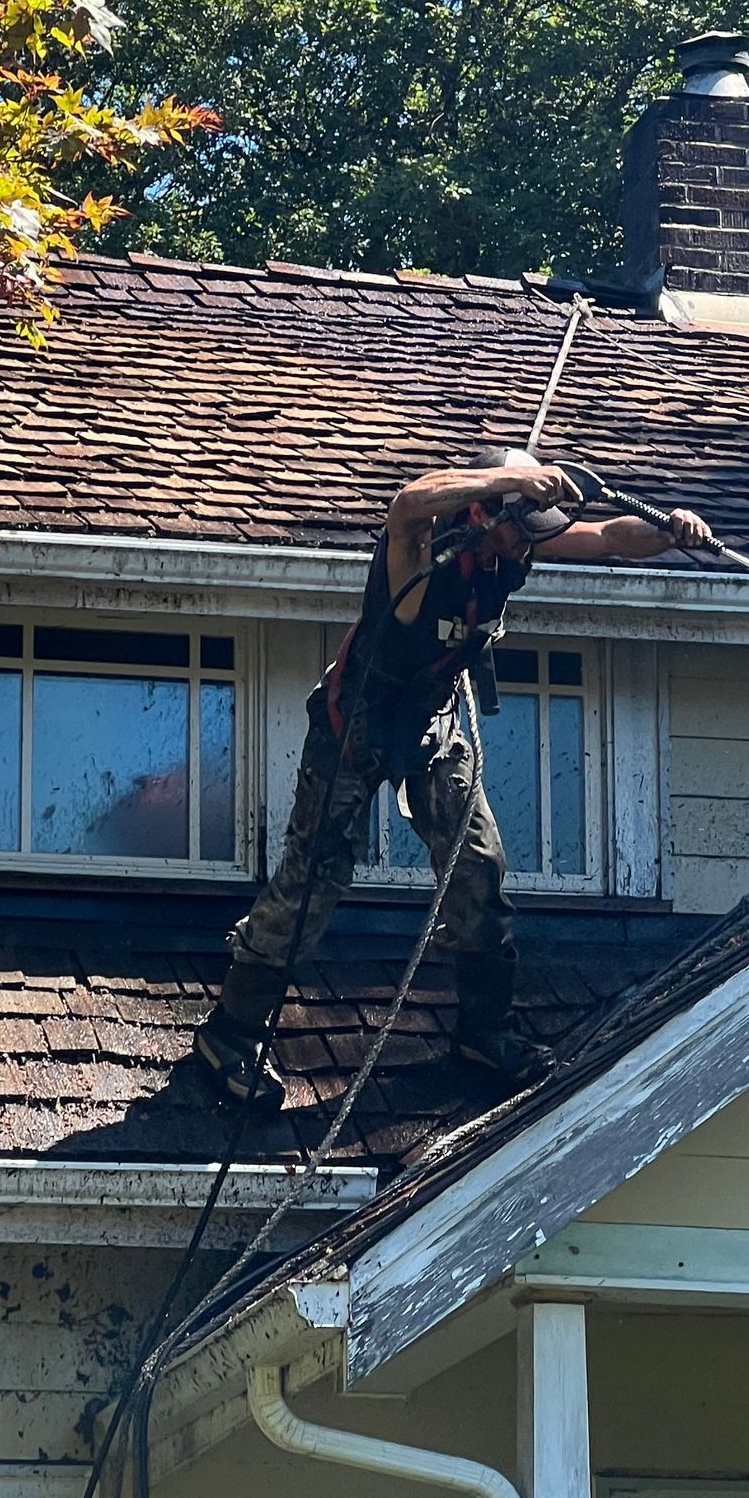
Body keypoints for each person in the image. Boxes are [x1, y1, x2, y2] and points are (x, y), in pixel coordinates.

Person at [195, 453, 712, 1106]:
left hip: (432, 730)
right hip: (353, 730)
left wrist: (670, 532)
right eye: (519, 526)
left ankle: (483, 1033)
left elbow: (609, 537)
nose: (528, 542)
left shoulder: (511, 550)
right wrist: (508, 482)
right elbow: (408, 502)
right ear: (481, 513)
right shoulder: (422, 552)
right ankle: (231, 1035)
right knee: (312, 882)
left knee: (479, 872)